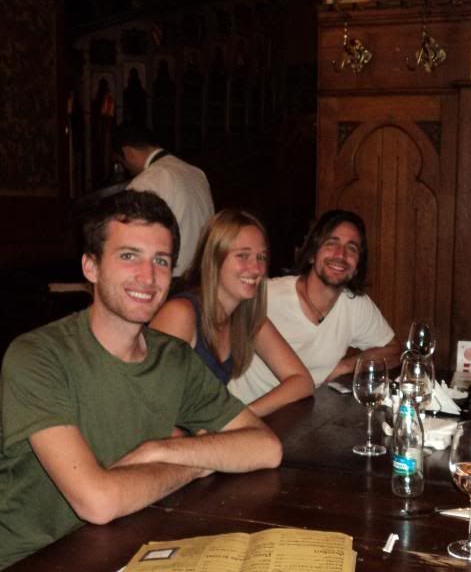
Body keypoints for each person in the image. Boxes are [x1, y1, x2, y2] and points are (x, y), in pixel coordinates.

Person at [0, 192, 282, 572]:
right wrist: (196, 464)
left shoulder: (172, 357)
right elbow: (98, 502)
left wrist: (163, 450)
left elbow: (266, 447)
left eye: (161, 261)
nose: (148, 276)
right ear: (91, 267)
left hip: (118, 550)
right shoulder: (38, 356)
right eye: (129, 256)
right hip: (18, 561)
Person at [150, 210, 314, 417]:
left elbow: (302, 381)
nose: (256, 268)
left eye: (261, 257)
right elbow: (149, 407)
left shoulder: (246, 317)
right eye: (243, 256)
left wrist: (243, 414)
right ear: (214, 258)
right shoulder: (180, 314)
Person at [227, 210, 400, 402]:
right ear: (311, 254)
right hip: (245, 410)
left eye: (351, 248)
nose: (340, 254)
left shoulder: (355, 305)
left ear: (358, 266)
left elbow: (393, 351)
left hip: (302, 412)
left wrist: (344, 367)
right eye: (331, 243)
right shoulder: (266, 295)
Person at [112, 123, 214, 277]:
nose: (126, 168)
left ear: (128, 153)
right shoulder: (197, 173)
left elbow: (129, 242)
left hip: (172, 278)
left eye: (122, 162)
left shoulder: (146, 181)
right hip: (203, 275)